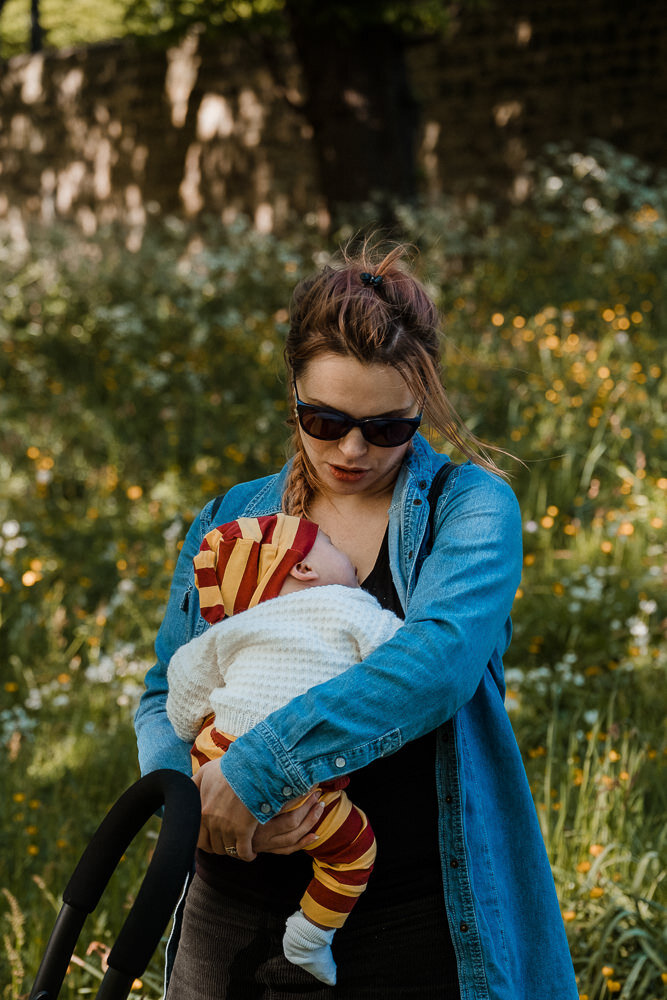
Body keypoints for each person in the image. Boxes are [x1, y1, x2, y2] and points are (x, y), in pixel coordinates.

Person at [135, 244, 579, 999]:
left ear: (423, 405)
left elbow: (436, 665)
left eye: (385, 428)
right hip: (228, 912)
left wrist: (258, 771)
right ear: (292, 394)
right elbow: (163, 694)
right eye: (323, 419)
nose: (350, 449)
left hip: (414, 919)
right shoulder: (231, 518)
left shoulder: (467, 509)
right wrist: (206, 807)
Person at [166, 512, 402, 985]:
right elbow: (406, 665)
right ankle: (311, 936)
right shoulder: (348, 605)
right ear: (304, 569)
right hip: (308, 786)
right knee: (353, 855)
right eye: (331, 544)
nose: (345, 555)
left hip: (218, 753)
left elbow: (180, 691)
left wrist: (203, 773)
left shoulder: (234, 627)